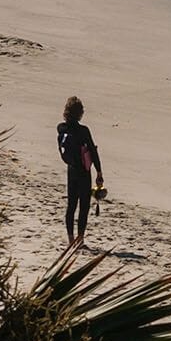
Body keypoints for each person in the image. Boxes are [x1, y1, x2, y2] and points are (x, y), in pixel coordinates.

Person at [57, 95, 103, 246]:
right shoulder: (83, 130)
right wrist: (99, 172)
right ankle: (80, 239)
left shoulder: (61, 128)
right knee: (83, 207)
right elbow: (92, 150)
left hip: (72, 170)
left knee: (71, 206)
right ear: (80, 113)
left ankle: (70, 239)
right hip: (84, 171)